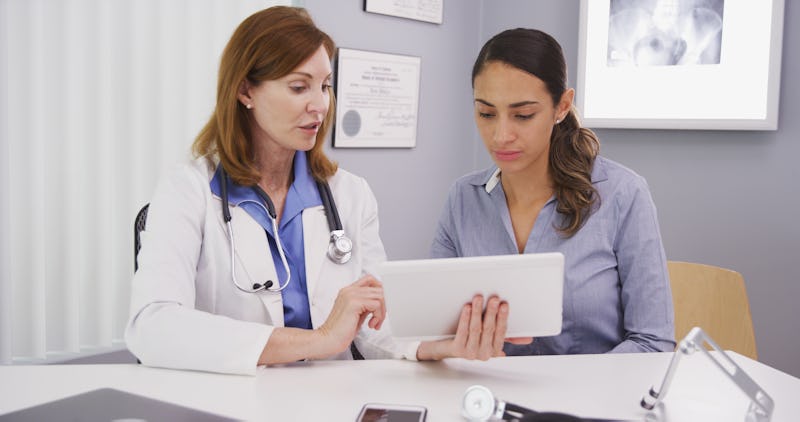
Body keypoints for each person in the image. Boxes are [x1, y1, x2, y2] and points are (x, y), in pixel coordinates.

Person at [125, 6, 512, 375]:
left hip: (333, 402)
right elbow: (152, 326)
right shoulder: (187, 190)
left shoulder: (350, 195)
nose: (320, 105)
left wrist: (438, 346)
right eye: (299, 87)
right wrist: (320, 340)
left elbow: (375, 322)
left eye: (325, 86)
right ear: (245, 91)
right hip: (235, 403)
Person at [430, 28, 675, 355]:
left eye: (523, 115)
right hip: (487, 398)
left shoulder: (623, 194)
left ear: (562, 107)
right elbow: (434, 330)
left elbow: (653, 342)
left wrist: (572, 391)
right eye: (486, 113)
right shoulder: (463, 198)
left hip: (595, 400)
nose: (501, 135)